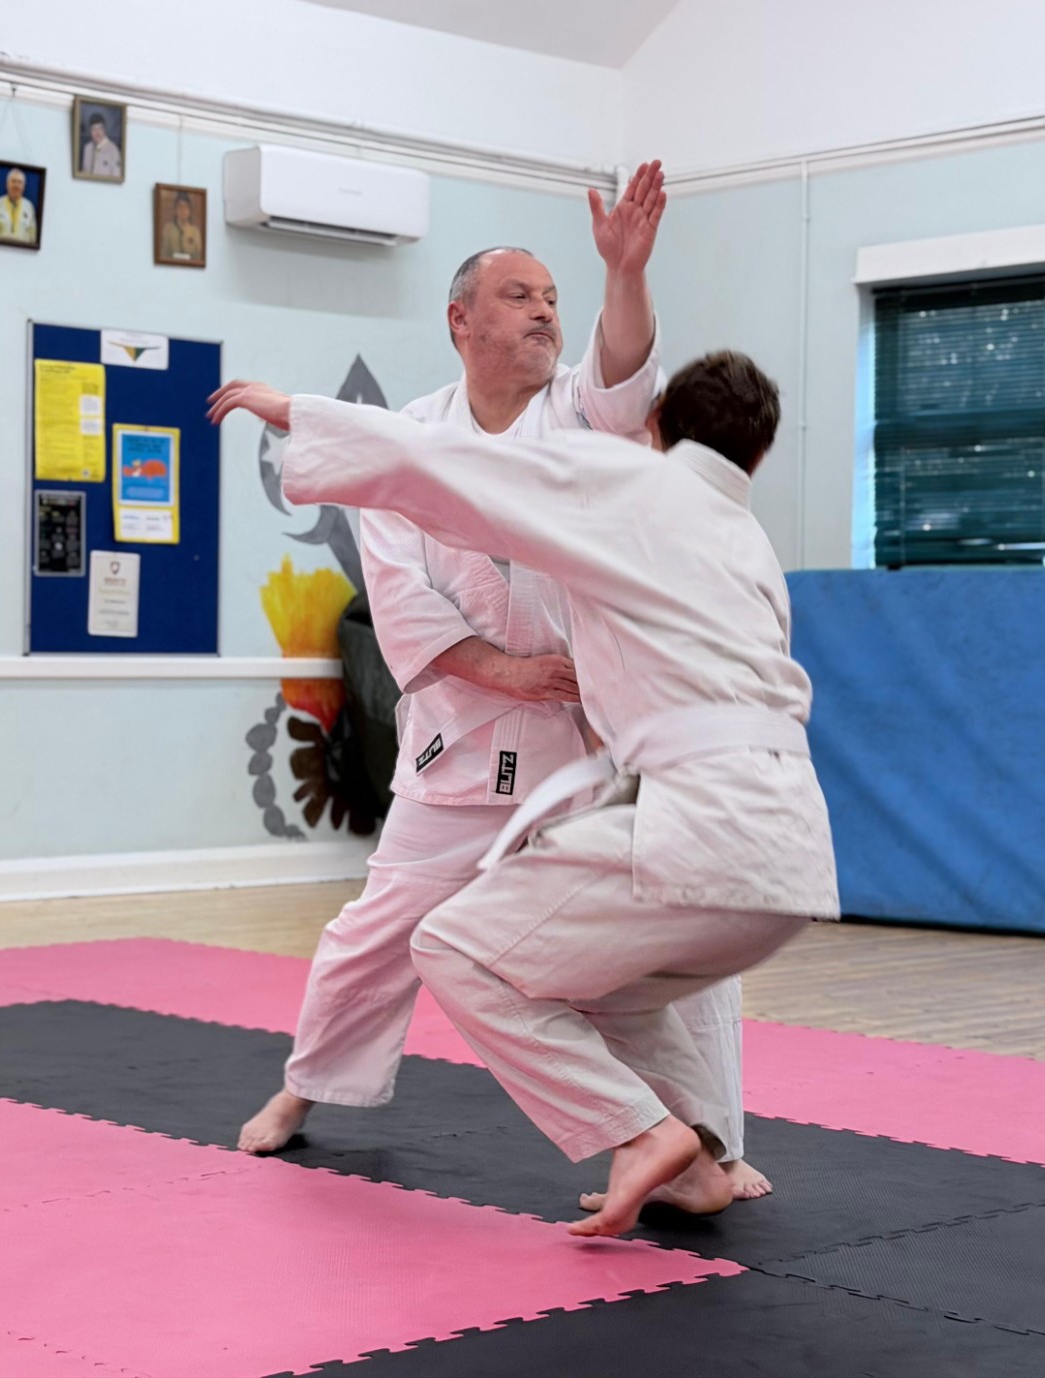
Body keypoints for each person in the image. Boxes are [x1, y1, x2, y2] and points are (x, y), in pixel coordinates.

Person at [209, 350, 838, 1238]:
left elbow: (454, 468)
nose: (542, 313)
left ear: (653, 429)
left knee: (455, 950)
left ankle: (645, 1133)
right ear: (762, 457)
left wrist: (302, 417)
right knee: (612, 989)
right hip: (797, 852)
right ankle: (701, 1163)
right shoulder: (750, 546)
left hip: (686, 816)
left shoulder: (626, 485)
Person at [234, 162, 771, 1200]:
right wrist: (507, 671)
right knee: (377, 931)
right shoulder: (409, 442)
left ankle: (711, 1144)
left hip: (589, 749)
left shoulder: (581, 415)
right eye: (519, 297)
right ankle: (305, 1087)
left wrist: (625, 271)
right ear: (460, 322)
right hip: (461, 744)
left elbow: (623, 365)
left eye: (552, 299)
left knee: (672, 944)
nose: (543, 314)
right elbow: (404, 602)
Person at [0, 167, 37, 246]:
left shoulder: (29, 207)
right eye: (13, 181)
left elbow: (33, 238)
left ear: (24, 186)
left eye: (19, 182)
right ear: (7, 184)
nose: (16, 185)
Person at [160, 191, 203, 261]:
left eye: (186, 207)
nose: (183, 210)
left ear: (190, 210)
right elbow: (164, 254)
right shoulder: (168, 229)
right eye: (180, 206)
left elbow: (198, 256)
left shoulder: (195, 231)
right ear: (175, 210)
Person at [81, 113, 123, 179]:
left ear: (104, 129)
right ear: (90, 131)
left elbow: (116, 177)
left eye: (100, 129)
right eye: (94, 129)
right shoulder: (87, 148)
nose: (97, 133)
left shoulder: (114, 150)